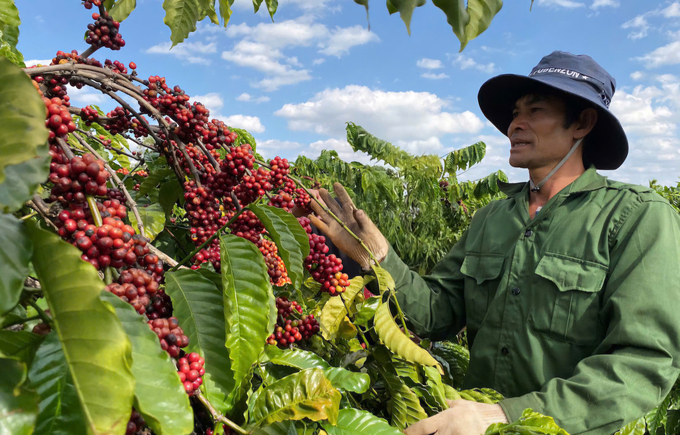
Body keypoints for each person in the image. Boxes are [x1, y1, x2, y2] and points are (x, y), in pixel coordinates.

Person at [308, 51, 680, 435]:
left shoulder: (636, 217)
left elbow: (644, 362)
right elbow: (437, 313)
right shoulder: (491, 218)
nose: (514, 125)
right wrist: (377, 258)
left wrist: (504, 415)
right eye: (515, 114)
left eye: (534, 111)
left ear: (582, 123)